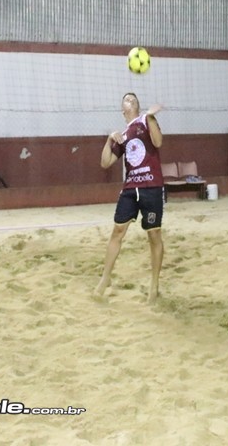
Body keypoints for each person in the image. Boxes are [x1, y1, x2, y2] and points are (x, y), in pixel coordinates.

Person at [94, 93, 165, 304]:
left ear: (138, 106)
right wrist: (109, 139)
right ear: (122, 109)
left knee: (154, 234)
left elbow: (158, 142)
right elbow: (105, 163)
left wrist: (150, 117)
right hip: (130, 189)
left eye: (133, 99)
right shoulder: (123, 135)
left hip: (151, 187)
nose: (130, 100)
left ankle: (154, 285)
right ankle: (105, 279)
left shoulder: (146, 120)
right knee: (117, 231)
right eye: (126, 99)